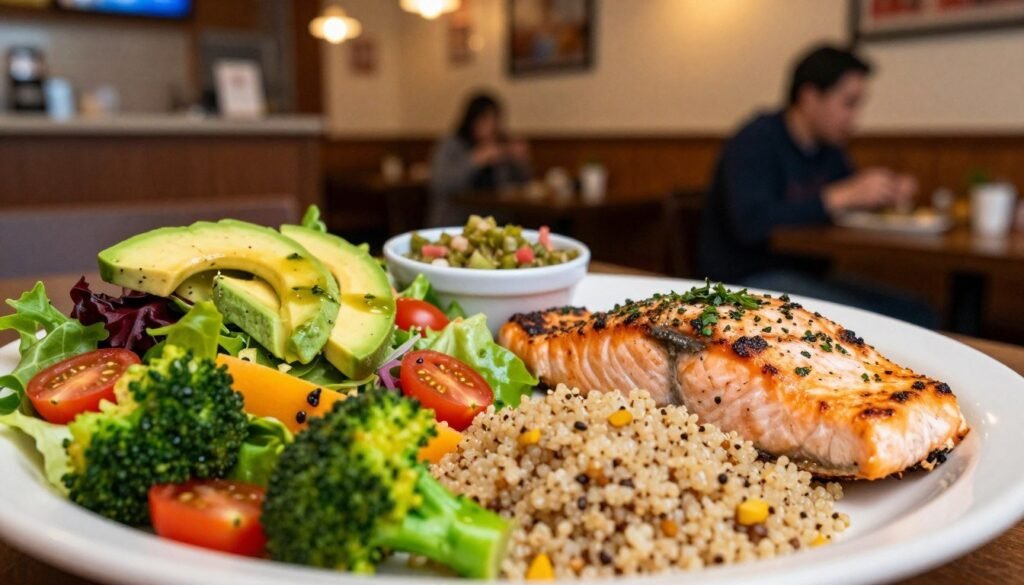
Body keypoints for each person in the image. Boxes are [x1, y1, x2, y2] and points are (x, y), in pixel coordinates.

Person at [698, 44, 935, 327]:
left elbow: (849, 199)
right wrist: (839, 197)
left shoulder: (830, 150)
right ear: (810, 97)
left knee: (917, 312)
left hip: (809, 275)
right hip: (745, 279)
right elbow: (751, 223)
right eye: (848, 103)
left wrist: (886, 192)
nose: (854, 118)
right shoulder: (756, 140)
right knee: (880, 321)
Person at [428, 92, 531, 226]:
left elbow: (524, 182)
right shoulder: (452, 144)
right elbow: (439, 183)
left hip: (496, 220)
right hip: (456, 220)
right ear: (471, 120)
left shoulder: (501, 144)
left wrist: (520, 161)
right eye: (484, 119)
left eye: (494, 120)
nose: (490, 126)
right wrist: (475, 160)